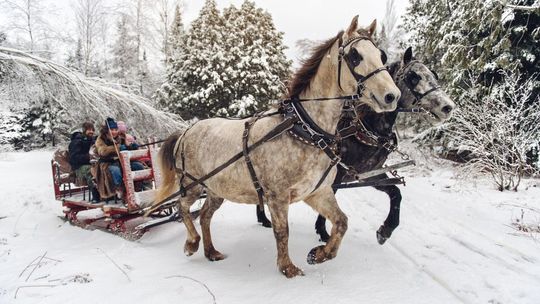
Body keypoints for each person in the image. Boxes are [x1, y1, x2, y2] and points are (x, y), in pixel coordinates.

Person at [94, 117, 145, 202]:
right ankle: (121, 190)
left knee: (138, 166)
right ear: (107, 131)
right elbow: (102, 151)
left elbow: (127, 146)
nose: (114, 132)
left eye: (116, 129)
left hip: (121, 161)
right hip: (107, 164)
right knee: (116, 171)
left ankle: (137, 188)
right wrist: (117, 148)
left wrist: (131, 147)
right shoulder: (100, 139)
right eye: (112, 129)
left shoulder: (121, 137)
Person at [68, 121, 100, 203]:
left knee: (104, 168)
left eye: (93, 130)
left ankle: (108, 194)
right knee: (91, 171)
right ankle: (96, 196)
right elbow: (73, 158)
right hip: (79, 167)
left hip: (93, 163)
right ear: (84, 130)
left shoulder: (93, 140)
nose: (91, 132)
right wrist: (88, 157)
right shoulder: (76, 142)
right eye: (89, 130)